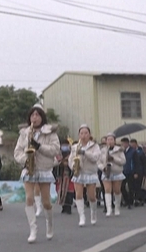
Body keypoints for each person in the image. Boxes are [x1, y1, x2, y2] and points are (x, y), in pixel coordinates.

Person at [14, 103, 60, 243]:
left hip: (44, 168)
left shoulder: (50, 132)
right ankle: (33, 229)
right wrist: (25, 160)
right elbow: (17, 152)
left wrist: (39, 146)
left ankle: (49, 224)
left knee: (46, 202)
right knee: (29, 198)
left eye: (38, 114)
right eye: (32, 115)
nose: (35, 117)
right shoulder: (24, 133)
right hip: (29, 169)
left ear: (42, 117)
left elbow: (55, 150)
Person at [68, 124, 101, 227]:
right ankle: (81, 216)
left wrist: (85, 153)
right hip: (79, 172)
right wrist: (74, 165)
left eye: (86, 133)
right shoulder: (75, 146)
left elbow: (96, 158)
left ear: (89, 134)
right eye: (81, 133)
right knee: (78, 195)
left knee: (91, 196)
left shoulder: (95, 146)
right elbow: (71, 159)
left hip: (90, 172)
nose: (83, 135)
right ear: (79, 135)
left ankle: (93, 213)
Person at [99, 133, 127, 217]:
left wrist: (114, 159)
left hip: (117, 172)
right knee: (107, 190)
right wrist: (102, 167)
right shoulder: (102, 150)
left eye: (111, 139)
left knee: (117, 190)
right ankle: (109, 208)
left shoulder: (119, 150)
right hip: (106, 172)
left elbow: (123, 161)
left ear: (114, 141)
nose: (110, 141)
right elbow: (98, 161)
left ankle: (117, 208)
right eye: (108, 140)